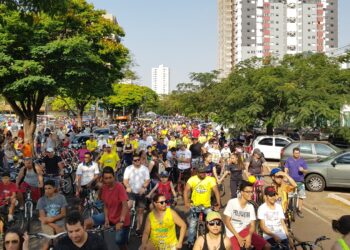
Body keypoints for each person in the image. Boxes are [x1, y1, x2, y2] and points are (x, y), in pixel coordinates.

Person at [86, 167, 130, 250]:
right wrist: (106, 219)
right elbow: (105, 205)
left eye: (110, 177)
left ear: (114, 177)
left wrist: (121, 221)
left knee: (119, 242)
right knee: (87, 222)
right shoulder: (103, 188)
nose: (108, 180)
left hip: (122, 220)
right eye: (106, 178)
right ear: (103, 179)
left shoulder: (119, 187)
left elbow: (125, 205)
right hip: (109, 216)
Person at [223, 180, 271, 250]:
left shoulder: (250, 206)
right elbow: (227, 222)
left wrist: (249, 236)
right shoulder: (232, 202)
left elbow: (252, 225)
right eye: (248, 192)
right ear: (242, 192)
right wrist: (238, 237)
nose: (250, 194)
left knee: (267, 246)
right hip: (232, 234)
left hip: (245, 232)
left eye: (252, 192)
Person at [184, 163, 221, 248]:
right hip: (194, 206)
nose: (202, 174)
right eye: (200, 172)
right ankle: (190, 242)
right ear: (197, 172)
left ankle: (212, 239)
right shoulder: (192, 179)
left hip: (207, 206)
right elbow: (186, 191)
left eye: (204, 172)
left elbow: (216, 191)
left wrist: (218, 203)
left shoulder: (210, 179)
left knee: (212, 222)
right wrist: (186, 202)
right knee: (192, 224)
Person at [123, 154, 150, 237]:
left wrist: (143, 187)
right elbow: (125, 180)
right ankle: (124, 224)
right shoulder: (128, 168)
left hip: (141, 192)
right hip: (131, 191)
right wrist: (127, 187)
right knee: (128, 206)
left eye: (138, 159)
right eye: (135, 160)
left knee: (140, 211)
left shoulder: (145, 169)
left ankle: (138, 229)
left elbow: (147, 180)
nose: (137, 161)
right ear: (132, 161)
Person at [284, 147, 308, 217]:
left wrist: (303, 170)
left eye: (298, 153)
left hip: (300, 182)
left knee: (301, 196)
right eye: (295, 153)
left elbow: (306, 171)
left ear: (299, 153)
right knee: (289, 196)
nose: (296, 154)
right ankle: (287, 209)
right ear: (293, 153)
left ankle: (299, 210)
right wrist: (285, 176)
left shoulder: (302, 161)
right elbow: (286, 168)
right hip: (290, 181)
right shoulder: (289, 159)